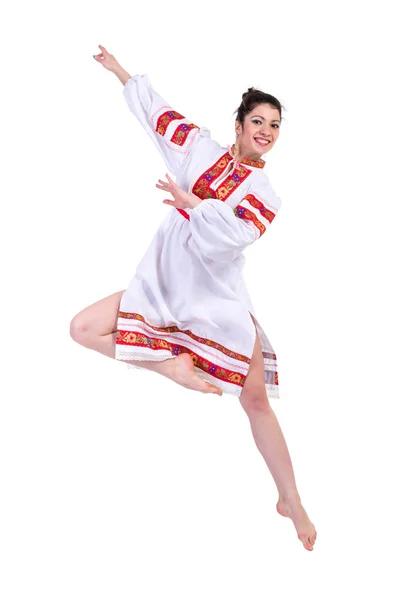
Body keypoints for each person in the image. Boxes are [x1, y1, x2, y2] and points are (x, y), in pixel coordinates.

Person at [70, 45, 317, 551]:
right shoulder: (198, 150)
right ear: (240, 123)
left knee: (254, 399)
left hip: (214, 295)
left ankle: (290, 499)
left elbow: (237, 236)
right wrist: (121, 72)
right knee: (82, 328)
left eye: (274, 125)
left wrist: (193, 203)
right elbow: (160, 116)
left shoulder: (264, 191)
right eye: (258, 121)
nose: (266, 131)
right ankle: (171, 368)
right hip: (164, 279)